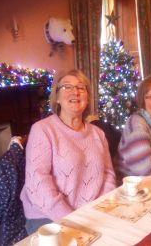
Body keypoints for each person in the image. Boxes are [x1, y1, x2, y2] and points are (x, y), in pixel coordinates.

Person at [20, 69, 116, 234]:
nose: (75, 92)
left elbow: (108, 175)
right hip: (48, 214)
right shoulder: (42, 130)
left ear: (87, 97)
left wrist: (100, 208)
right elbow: (38, 181)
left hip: (92, 212)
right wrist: (72, 218)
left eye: (81, 87)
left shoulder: (98, 134)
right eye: (67, 87)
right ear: (57, 97)